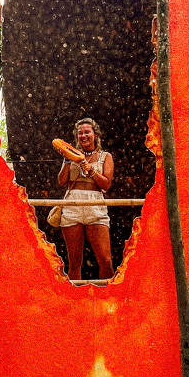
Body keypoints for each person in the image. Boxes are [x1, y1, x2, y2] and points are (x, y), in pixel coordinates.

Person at [57, 118, 115, 281]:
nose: (83, 136)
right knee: (75, 261)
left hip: (95, 204)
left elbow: (106, 185)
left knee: (105, 260)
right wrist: (68, 160)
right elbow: (62, 182)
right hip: (72, 204)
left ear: (95, 135)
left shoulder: (105, 156)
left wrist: (92, 172)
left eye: (87, 132)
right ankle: (74, 301)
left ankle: (107, 298)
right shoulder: (70, 155)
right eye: (80, 133)